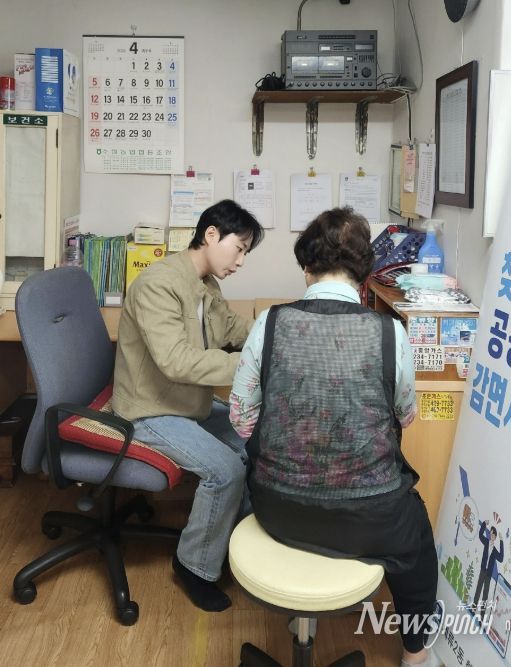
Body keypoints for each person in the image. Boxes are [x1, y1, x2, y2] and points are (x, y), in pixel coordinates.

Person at [229, 207, 437, 665]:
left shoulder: (270, 323)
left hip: (279, 509)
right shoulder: (390, 333)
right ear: (364, 275)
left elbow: (241, 421)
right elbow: (406, 416)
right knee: (418, 542)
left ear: (306, 266)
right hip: (370, 519)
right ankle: (415, 651)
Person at [112, 199, 264, 612]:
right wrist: (252, 363)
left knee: (258, 441)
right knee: (226, 470)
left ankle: (234, 545)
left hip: (187, 403)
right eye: (239, 248)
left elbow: (233, 329)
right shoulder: (157, 285)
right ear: (211, 234)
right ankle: (193, 565)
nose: (241, 261)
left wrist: (276, 333)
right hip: (149, 409)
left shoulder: (205, 284)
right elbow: (176, 361)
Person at [473, 521, 504, 618]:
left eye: (493, 535)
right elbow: (480, 535)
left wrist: (501, 541)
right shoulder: (486, 542)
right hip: (483, 570)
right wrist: (484, 524)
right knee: (478, 589)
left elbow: (501, 558)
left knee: (485, 594)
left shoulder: (494, 550)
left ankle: (482, 615)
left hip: (488, 574)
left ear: (495, 537)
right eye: (490, 534)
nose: (491, 536)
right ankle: (473, 608)